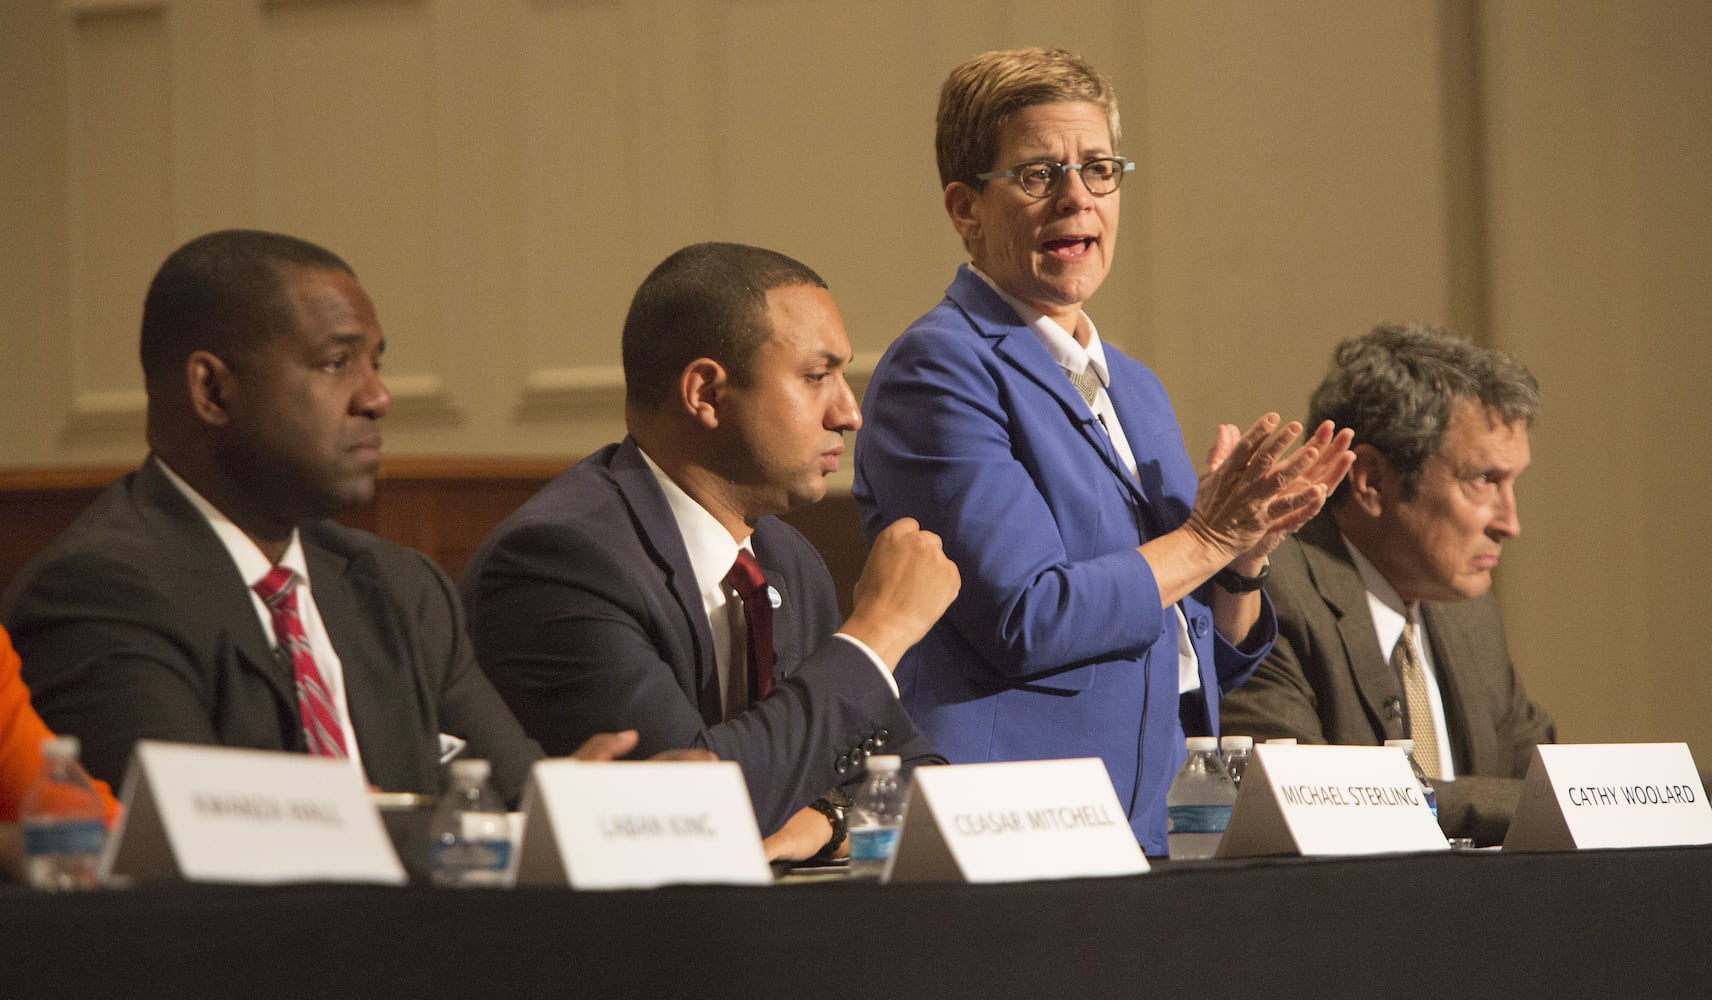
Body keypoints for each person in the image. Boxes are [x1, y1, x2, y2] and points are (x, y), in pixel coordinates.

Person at [851, 47, 1353, 854]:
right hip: (1009, 828)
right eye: (1039, 174)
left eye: (1099, 169)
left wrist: (1240, 567)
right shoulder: (940, 367)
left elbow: (1184, 651)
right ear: (964, 207)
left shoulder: (1138, 388)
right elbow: (1027, 616)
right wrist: (1204, 541)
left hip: (1149, 826)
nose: (1078, 197)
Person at [1, 229, 655, 809]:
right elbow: (192, 850)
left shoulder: (400, 587)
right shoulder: (97, 592)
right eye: (336, 362)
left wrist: (580, 812)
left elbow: (508, 802)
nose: (377, 396)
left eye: (376, 362)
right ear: (212, 390)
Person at [461, 242, 960, 861]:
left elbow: (913, 774)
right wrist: (876, 636)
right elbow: (692, 815)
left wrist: (824, 821)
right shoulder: (557, 563)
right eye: (815, 376)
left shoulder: (787, 558)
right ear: (705, 393)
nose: (850, 412)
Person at [1220, 323, 1555, 844]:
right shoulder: (1271, 595)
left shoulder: (1471, 615)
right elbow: (1310, 798)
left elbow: (1543, 781)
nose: (1509, 522)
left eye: (1512, 483)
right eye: (1483, 481)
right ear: (1371, 480)